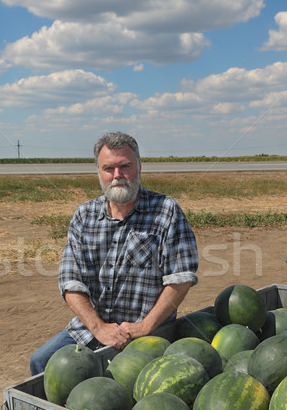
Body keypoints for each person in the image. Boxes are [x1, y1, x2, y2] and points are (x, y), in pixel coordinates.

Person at [29, 131, 198, 375]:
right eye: (109, 168)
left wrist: (145, 327)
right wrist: (98, 328)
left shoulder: (165, 211)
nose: (117, 175)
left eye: (125, 166)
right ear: (99, 172)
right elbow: (70, 282)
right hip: (92, 330)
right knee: (41, 362)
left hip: (145, 334)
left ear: (139, 168)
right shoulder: (84, 216)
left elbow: (181, 278)